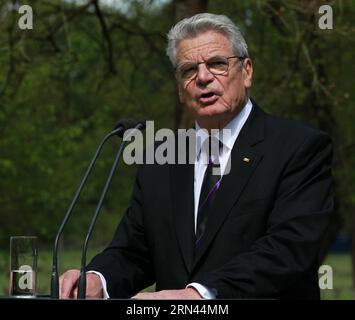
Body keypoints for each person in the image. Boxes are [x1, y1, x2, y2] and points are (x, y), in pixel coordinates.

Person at [59, 13, 333, 299]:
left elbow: (288, 251)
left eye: (217, 64)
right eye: (189, 70)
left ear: (247, 71)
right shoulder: (160, 159)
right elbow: (134, 251)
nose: (203, 78)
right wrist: (96, 279)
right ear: (180, 88)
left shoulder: (299, 147)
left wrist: (199, 295)